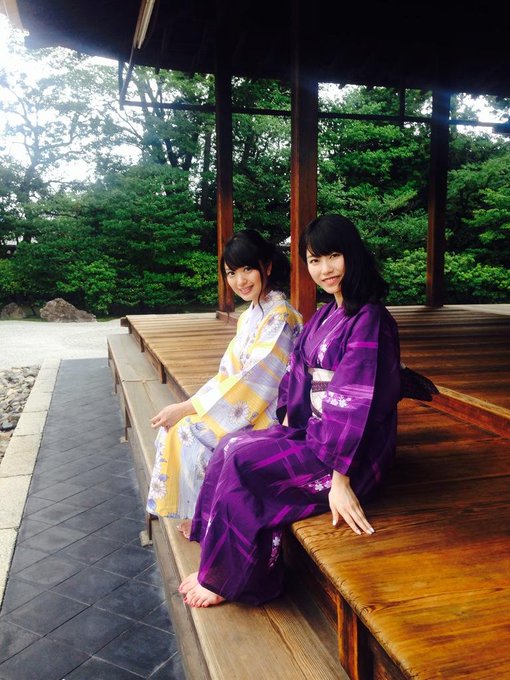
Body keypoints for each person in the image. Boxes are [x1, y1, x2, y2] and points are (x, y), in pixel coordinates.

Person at [180, 214, 402, 607]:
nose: (324, 269)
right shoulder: (328, 313)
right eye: (314, 260)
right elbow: (296, 375)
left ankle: (229, 578)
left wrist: (341, 482)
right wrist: (281, 431)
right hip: (315, 433)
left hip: (350, 456)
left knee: (243, 465)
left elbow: (353, 404)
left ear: (352, 254)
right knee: (232, 445)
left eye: (333, 256)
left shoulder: (370, 319)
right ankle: (215, 559)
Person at [146, 229, 303, 538]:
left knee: (189, 434)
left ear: (267, 266)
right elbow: (227, 374)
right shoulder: (250, 315)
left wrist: (189, 409)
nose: (240, 280)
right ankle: (200, 514)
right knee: (177, 428)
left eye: (248, 269)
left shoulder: (281, 316)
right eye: (231, 272)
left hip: (269, 411)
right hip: (244, 403)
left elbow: (256, 379)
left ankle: (206, 519)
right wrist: (189, 405)